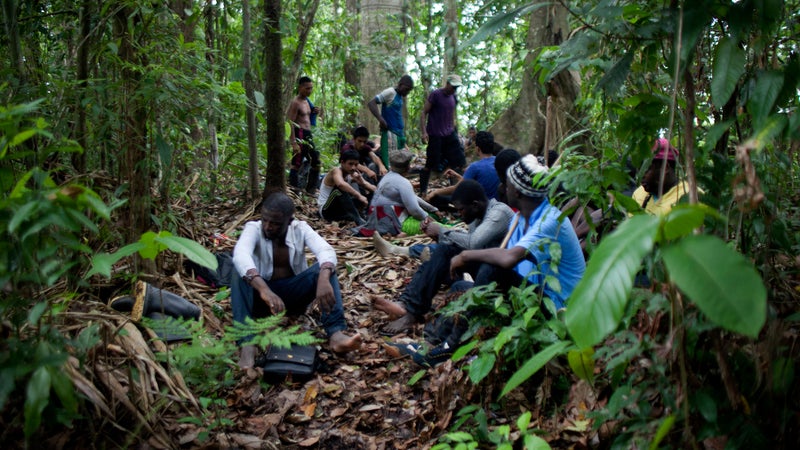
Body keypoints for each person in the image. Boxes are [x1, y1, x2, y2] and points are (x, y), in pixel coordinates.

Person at [435, 155, 586, 351]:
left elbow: (506, 259)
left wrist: (465, 256)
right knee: (459, 288)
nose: (503, 188)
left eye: (507, 185)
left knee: (491, 267)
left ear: (519, 192)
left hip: (557, 307)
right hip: (529, 293)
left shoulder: (549, 221)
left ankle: (450, 347)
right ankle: (433, 343)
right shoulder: (520, 218)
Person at [231, 193, 362, 368]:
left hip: (292, 298)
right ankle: (246, 344)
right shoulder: (253, 228)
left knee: (326, 269)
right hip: (261, 301)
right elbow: (241, 255)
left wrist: (323, 278)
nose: (268, 227)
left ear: (289, 221)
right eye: (265, 220)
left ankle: (335, 333)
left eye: (275, 223)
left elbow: (325, 250)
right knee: (238, 272)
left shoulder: (300, 228)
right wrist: (264, 289)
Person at [372, 179, 515, 334]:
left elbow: (473, 243)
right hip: (483, 268)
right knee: (441, 252)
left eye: (461, 210)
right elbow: (467, 243)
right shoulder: (477, 216)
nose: (460, 215)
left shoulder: (498, 213)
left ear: (475, 205)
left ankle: (414, 312)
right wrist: (438, 236)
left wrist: (441, 230)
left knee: (448, 256)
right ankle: (410, 309)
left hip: (499, 275)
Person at [358, 149, 436, 237]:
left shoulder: (387, 177)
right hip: (396, 223)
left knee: (433, 215)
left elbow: (412, 197)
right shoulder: (403, 182)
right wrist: (427, 218)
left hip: (377, 220)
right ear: (408, 167)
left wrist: (432, 209)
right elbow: (414, 210)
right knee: (438, 227)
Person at [425, 130, 501, 210]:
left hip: (481, 207)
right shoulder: (500, 161)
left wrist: (435, 192)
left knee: (437, 198)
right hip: (498, 204)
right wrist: (457, 176)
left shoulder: (475, 167)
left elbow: (457, 189)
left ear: (477, 149)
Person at [418, 74, 467, 196]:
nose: (454, 89)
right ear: (448, 83)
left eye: (457, 88)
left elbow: (451, 115)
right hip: (436, 134)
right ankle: (423, 191)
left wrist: (455, 130)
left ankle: (454, 191)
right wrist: (424, 132)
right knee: (430, 164)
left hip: (449, 134)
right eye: (453, 86)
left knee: (458, 161)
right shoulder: (436, 95)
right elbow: (424, 113)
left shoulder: (453, 97)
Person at [631, 138, 689, 215]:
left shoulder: (689, 197)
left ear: (665, 168)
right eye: (639, 170)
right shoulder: (639, 193)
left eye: (646, 169)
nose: (640, 176)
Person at [367, 75, 415, 168]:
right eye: (406, 89)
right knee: (391, 162)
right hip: (390, 133)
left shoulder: (400, 96)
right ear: (400, 85)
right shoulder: (390, 92)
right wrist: (380, 119)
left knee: (401, 162)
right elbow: (371, 103)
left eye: (409, 90)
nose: (407, 92)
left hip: (399, 134)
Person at [318, 149, 376, 225]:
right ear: (342, 162)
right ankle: (358, 220)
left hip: (339, 212)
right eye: (350, 164)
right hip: (326, 211)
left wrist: (362, 182)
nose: (353, 167)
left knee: (369, 194)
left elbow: (374, 189)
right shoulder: (336, 171)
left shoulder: (351, 175)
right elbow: (340, 184)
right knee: (339, 190)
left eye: (355, 165)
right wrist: (358, 195)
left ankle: (364, 217)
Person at [287, 76, 321, 193]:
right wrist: (293, 143)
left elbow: (307, 116)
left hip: (307, 134)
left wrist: (315, 112)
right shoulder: (295, 103)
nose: (309, 91)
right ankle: (294, 191)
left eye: (311, 88)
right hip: (299, 133)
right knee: (296, 163)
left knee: (316, 162)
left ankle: (310, 190)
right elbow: (290, 122)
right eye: (307, 88)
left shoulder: (307, 101)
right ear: (300, 88)